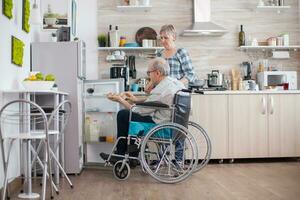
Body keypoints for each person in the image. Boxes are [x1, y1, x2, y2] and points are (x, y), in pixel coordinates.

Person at [100, 57, 185, 162]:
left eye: (149, 72)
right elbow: (155, 101)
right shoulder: (174, 83)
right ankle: (132, 155)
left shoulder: (161, 89)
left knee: (123, 115)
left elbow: (139, 111)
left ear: (157, 73)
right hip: (173, 124)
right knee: (130, 116)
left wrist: (120, 100)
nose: (148, 75)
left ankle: (122, 155)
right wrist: (135, 100)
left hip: (160, 126)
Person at [145, 24, 198, 93]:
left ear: (174, 37)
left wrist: (176, 84)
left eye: (166, 38)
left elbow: (191, 74)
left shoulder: (181, 52)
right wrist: (151, 84)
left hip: (178, 92)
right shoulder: (159, 54)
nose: (163, 41)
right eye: (161, 38)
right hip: (162, 93)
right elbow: (156, 74)